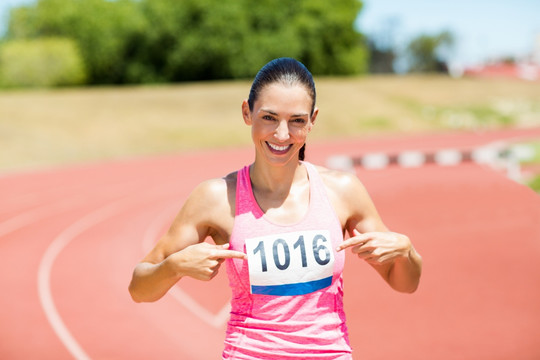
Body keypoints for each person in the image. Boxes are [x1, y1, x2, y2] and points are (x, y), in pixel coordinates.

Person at [128, 57, 422, 359]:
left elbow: (406, 282)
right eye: (269, 118)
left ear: (312, 120)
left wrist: (407, 250)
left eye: (296, 120)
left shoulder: (342, 191)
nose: (282, 135)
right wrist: (174, 266)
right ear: (247, 112)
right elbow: (139, 287)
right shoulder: (216, 198)